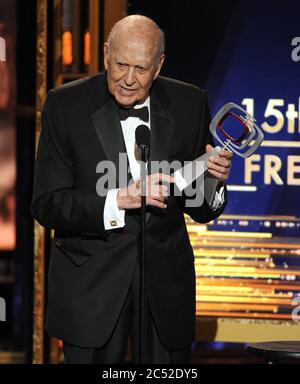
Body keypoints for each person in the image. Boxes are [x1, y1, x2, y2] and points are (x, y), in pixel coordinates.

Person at [31, 15, 232, 364]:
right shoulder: (65, 105)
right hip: (91, 287)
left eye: (140, 68)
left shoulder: (189, 103)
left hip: (166, 290)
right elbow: (47, 204)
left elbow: (198, 206)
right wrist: (118, 200)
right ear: (106, 54)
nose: (127, 79)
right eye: (120, 64)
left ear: (159, 66)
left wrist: (213, 179)